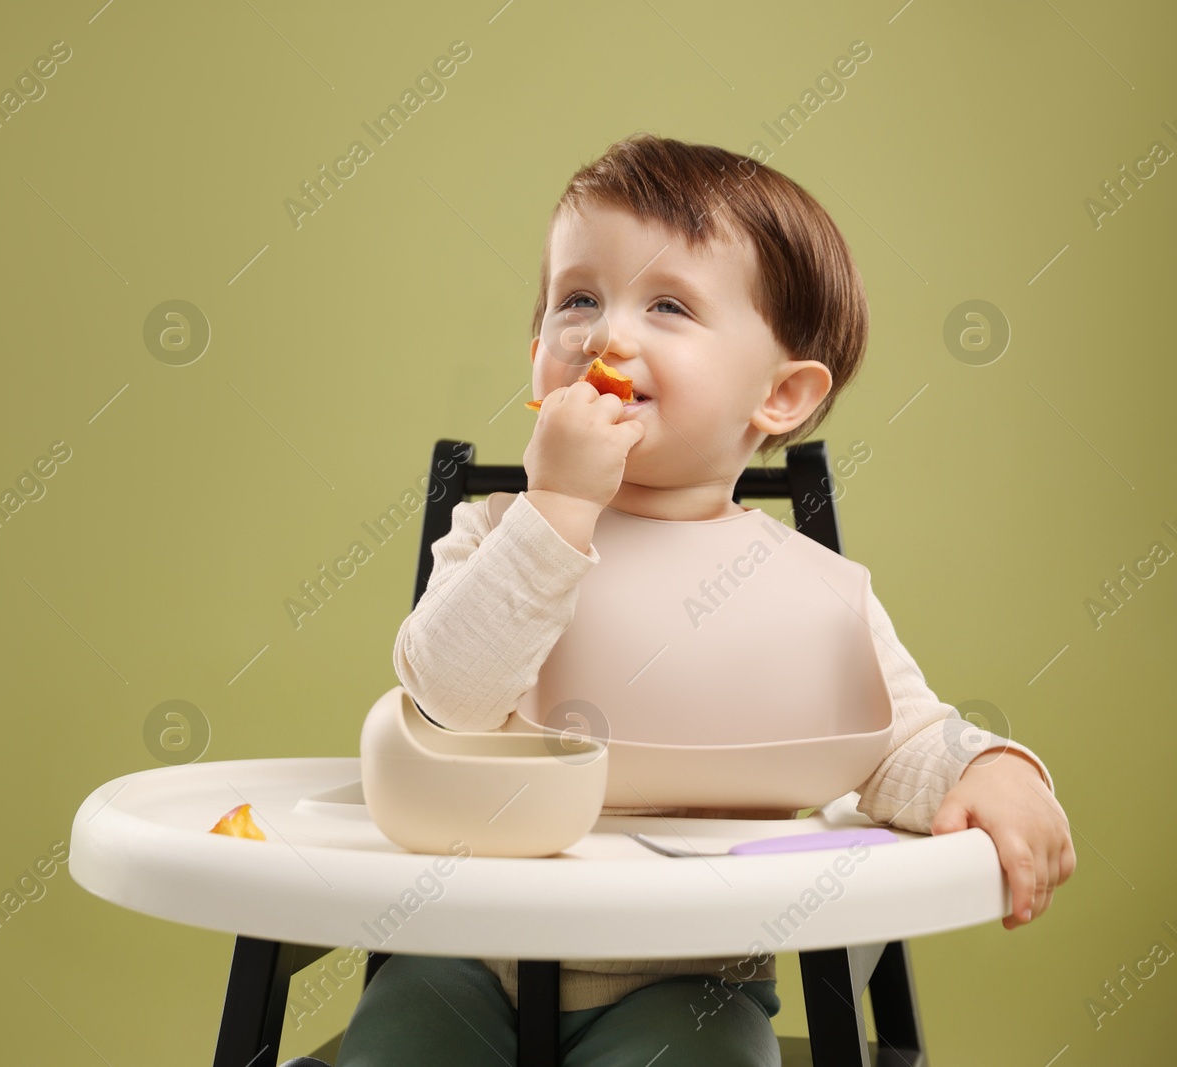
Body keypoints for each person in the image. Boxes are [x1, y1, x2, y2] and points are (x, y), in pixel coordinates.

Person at [330, 133, 1075, 1066]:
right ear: (536, 356)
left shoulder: (801, 590)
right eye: (578, 299)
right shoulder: (496, 537)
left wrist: (994, 770)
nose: (604, 335)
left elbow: (904, 741)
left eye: (669, 304)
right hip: (468, 959)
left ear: (782, 395)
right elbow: (447, 697)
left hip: (685, 981)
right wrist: (555, 508)